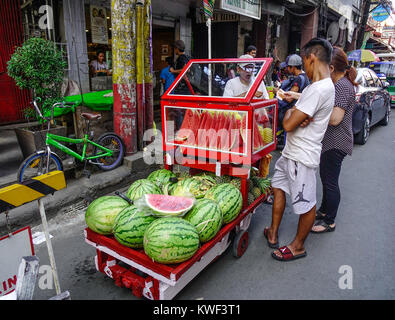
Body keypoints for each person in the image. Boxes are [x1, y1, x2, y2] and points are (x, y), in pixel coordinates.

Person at [263, 38, 335, 261]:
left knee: (306, 203)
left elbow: (287, 124)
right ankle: (273, 232)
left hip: (302, 156)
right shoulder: (323, 86)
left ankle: (298, 246)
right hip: (291, 154)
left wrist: (291, 113)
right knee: (278, 187)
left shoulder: (317, 89)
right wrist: (297, 108)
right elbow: (299, 115)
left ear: (311, 58)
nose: (304, 66)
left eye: (304, 61)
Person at [310, 47, 357, 233]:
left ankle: (329, 221)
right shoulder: (338, 84)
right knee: (326, 177)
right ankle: (324, 211)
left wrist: (313, 113)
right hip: (331, 142)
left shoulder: (342, 86)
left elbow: (335, 119)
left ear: (330, 67)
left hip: (336, 142)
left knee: (330, 182)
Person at [170, 40, 190, 130]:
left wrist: (173, 71)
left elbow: (186, 70)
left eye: (175, 49)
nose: (174, 51)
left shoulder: (181, 58)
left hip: (182, 88)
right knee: (185, 110)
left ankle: (180, 129)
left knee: (179, 110)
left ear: (177, 49)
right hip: (188, 88)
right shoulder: (188, 57)